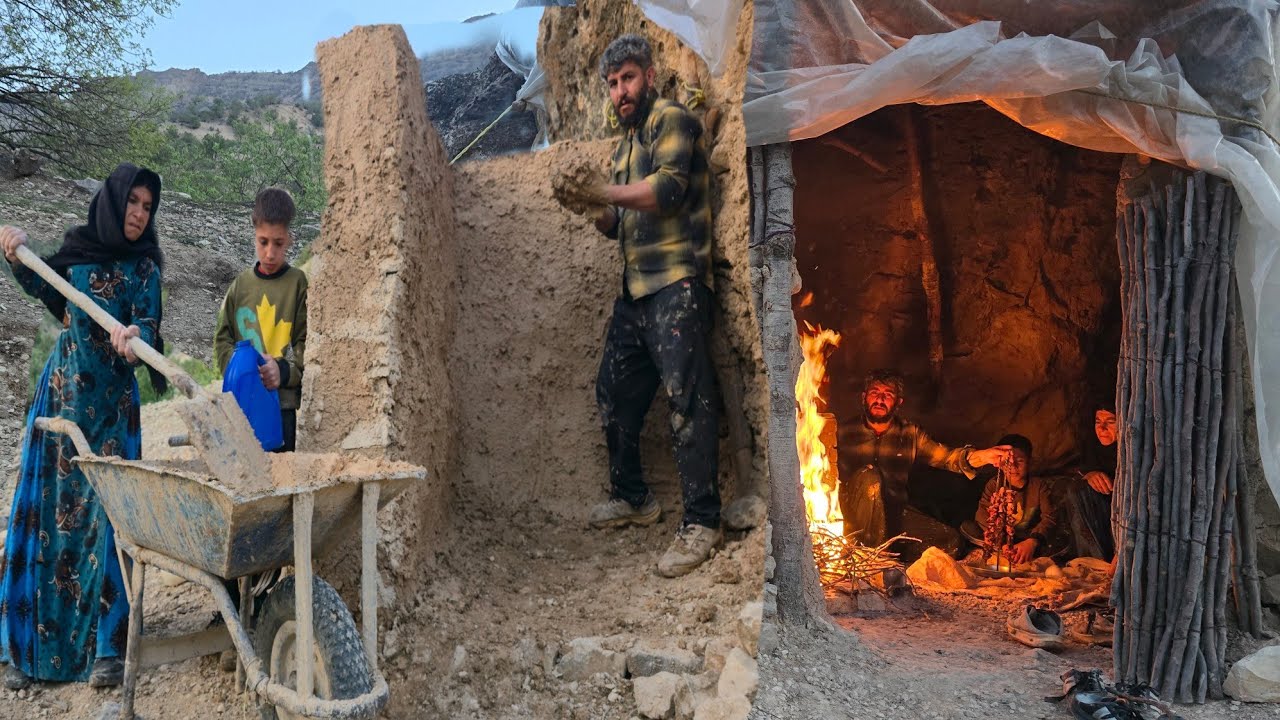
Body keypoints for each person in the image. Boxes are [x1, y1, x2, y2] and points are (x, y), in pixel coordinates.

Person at [551, 34, 720, 578]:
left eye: (627, 78)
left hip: (679, 284)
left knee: (686, 401)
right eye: (613, 84)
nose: (621, 91)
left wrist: (603, 192)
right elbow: (616, 224)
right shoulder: (623, 148)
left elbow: (668, 190)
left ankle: (703, 522)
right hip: (637, 293)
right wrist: (589, 205)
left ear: (648, 75)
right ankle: (634, 498)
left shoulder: (671, 119)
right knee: (613, 393)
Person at [0, 163, 166, 689]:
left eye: (147, 206)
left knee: (109, 528)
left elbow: (153, 339)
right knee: (47, 520)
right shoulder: (77, 259)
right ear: (114, 202)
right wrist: (14, 246)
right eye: (132, 203)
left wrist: (137, 342)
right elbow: (40, 282)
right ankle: (25, 649)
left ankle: (107, 652)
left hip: (114, 415)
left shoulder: (146, 273)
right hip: (61, 406)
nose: (139, 214)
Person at [839, 370, 1012, 548]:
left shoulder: (910, 433)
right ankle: (873, 557)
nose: (880, 399)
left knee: (951, 542)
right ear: (863, 397)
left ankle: (890, 547)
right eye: (874, 393)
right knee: (870, 477)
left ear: (898, 403)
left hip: (894, 512)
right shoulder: (843, 432)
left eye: (888, 395)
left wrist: (981, 456)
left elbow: (946, 457)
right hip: (853, 514)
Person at [213, 187, 307, 452]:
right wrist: (239, 375)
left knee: (281, 481)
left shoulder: (298, 284)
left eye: (278, 243)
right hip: (243, 406)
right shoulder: (240, 286)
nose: (269, 253)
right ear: (254, 235)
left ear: (289, 238)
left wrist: (283, 371)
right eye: (263, 242)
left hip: (282, 406)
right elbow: (222, 339)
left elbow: (307, 343)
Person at [965, 434, 1057, 566]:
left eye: (1019, 461)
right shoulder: (994, 484)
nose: (1013, 466)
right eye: (1007, 462)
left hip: (1027, 537)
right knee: (969, 529)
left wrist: (1032, 541)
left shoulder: (1039, 486)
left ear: (1030, 462)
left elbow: (1050, 517)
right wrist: (1001, 543)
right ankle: (1002, 550)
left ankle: (1026, 549)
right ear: (999, 463)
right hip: (999, 537)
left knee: (1055, 541)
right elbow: (982, 515)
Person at [1067, 406, 1117, 560]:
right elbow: (1081, 469)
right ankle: (1092, 559)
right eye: (1098, 422)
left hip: (1125, 517)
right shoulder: (1093, 450)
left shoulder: (1135, 452)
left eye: (1110, 422)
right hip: (1101, 516)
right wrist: (1090, 475)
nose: (1101, 428)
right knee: (1077, 489)